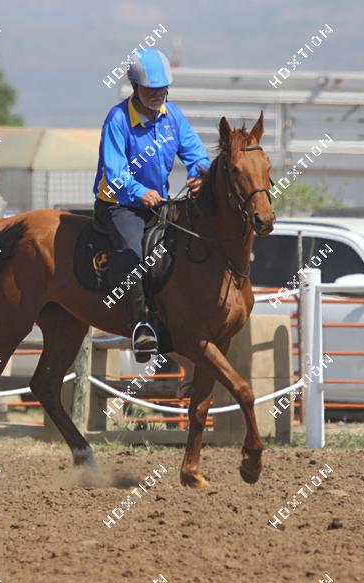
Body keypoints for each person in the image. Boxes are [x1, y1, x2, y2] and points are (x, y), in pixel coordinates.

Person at [92, 47, 212, 356]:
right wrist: (138, 192)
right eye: (151, 89)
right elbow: (114, 173)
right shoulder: (117, 119)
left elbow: (198, 156)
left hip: (158, 204)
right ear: (135, 87)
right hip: (119, 205)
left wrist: (200, 175)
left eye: (163, 88)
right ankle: (140, 326)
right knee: (133, 252)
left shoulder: (174, 116)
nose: (159, 94)